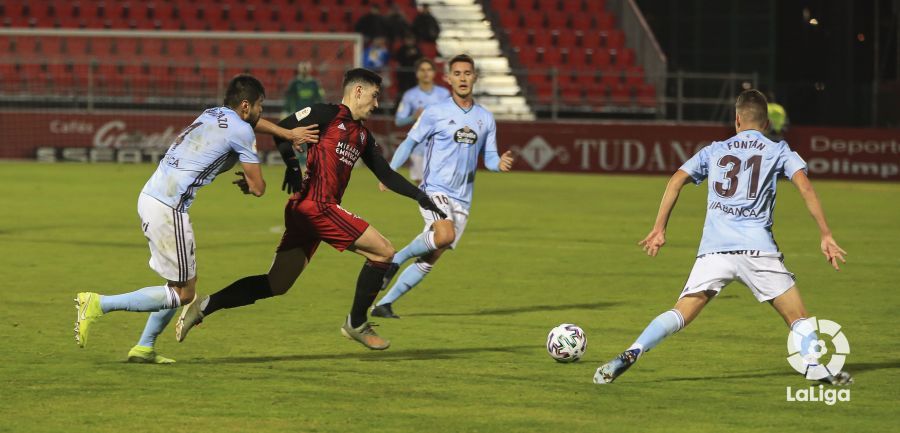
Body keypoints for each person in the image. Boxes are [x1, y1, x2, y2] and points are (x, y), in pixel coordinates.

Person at [174, 68, 446, 351]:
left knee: (277, 284)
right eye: (374, 96)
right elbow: (284, 129)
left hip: (307, 212)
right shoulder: (325, 114)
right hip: (317, 207)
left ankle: (204, 306)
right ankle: (356, 323)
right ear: (358, 91)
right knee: (384, 252)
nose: (377, 104)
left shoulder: (363, 136)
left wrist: (420, 196)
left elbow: (386, 174)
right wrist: (293, 167)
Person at [592, 89, 851, 385]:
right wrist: (825, 234)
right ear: (766, 123)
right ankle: (814, 366)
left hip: (714, 251)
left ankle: (634, 350)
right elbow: (805, 187)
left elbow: (676, 180)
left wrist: (659, 228)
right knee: (797, 316)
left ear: (737, 119)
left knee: (681, 312)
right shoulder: (778, 150)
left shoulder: (714, 150)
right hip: (758, 250)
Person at [73, 75, 319, 362]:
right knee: (185, 293)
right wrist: (253, 181)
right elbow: (259, 187)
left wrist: (287, 134)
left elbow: (249, 125)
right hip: (169, 207)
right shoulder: (242, 130)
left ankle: (144, 348)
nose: (261, 111)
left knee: (178, 284)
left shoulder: (212, 113)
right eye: (260, 105)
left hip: (152, 195)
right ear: (245, 105)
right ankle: (98, 304)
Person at [371, 54, 514, 319]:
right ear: (448, 79)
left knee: (433, 253)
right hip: (435, 189)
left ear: (475, 77)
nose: (462, 78)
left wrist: (499, 165)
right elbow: (410, 142)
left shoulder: (485, 118)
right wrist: (389, 172)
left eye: (467, 73)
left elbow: (490, 158)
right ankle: (396, 259)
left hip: (463, 198)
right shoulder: (435, 112)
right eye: (457, 73)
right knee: (444, 235)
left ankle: (384, 304)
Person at [393, 57, 450, 183]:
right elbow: (398, 121)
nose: (426, 73)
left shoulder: (444, 94)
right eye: (422, 70)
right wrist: (413, 117)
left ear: (434, 73)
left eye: (429, 70)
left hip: (440, 148)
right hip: (418, 147)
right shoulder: (410, 95)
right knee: (421, 186)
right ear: (417, 73)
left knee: (439, 185)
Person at [283, 61, 325, 172]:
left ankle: (310, 162)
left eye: (306, 68)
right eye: (303, 67)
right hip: (298, 115)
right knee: (299, 138)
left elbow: (319, 98)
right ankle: (301, 163)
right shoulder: (295, 83)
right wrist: (286, 111)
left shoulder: (314, 83)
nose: (305, 70)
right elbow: (289, 98)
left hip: (311, 115)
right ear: (299, 69)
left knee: (310, 138)